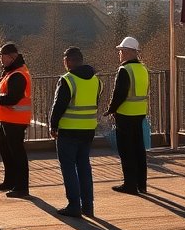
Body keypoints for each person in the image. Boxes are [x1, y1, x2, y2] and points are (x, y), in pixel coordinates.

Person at [50, 46, 99, 218]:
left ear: (68, 61)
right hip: (88, 129)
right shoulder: (95, 80)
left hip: (69, 131)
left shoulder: (67, 80)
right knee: (84, 166)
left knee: (69, 167)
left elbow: (59, 106)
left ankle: (74, 205)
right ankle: (88, 206)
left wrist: (53, 125)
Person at [106, 36, 149, 195]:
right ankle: (141, 184)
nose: (120, 54)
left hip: (125, 114)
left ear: (129, 52)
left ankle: (129, 184)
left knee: (126, 150)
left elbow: (119, 93)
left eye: (122, 51)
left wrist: (111, 109)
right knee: (139, 149)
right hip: (140, 113)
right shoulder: (143, 69)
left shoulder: (125, 70)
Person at [0, 42, 31, 198]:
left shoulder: (18, 74)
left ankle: (21, 187)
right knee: (6, 150)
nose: (1, 59)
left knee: (17, 153)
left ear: (12, 57)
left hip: (16, 120)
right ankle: (10, 181)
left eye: (3, 56)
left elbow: (12, 98)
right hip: (8, 118)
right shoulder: (11, 72)